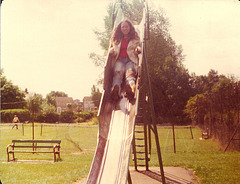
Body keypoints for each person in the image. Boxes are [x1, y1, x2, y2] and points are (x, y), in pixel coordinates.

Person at [109, 19, 141, 101]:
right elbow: (114, 50)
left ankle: (131, 90)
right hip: (119, 60)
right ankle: (116, 91)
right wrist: (111, 51)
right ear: (120, 28)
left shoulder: (135, 39)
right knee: (117, 75)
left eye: (126, 26)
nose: (125, 28)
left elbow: (137, 48)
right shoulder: (117, 40)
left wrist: (138, 49)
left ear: (130, 27)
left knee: (130, 75)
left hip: (130, 60)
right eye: (123, 27)